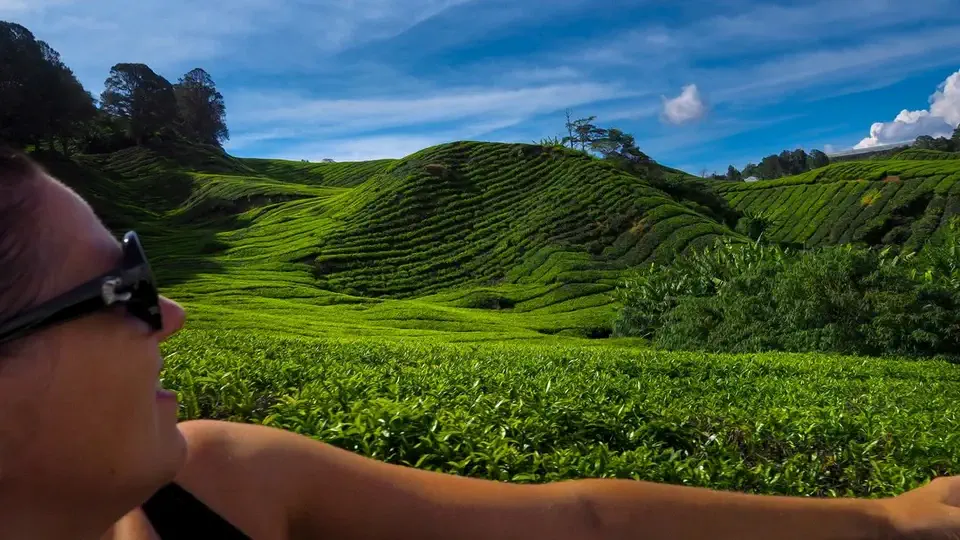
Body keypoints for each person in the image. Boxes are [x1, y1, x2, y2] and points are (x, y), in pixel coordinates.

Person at [0, 148, 959, 540]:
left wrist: (882, 520)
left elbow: (579, 519)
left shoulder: (220, 483)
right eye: (124, 287)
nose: (171, 316)